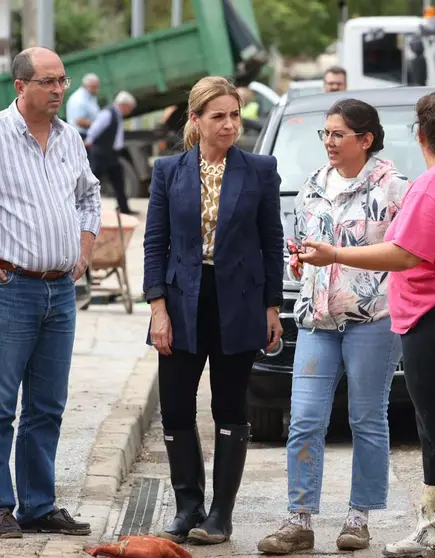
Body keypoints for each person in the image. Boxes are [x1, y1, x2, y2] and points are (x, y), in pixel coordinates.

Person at [298, 63, 435, 558]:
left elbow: (405, 254)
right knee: (434, 421)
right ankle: (431, 529)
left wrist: (335, 254)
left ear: (420, 135)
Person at [0, 47, 99, 540]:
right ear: (21, 86)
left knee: (47, 405)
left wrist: (84, 244)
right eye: (48, 82)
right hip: (6, 286)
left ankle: (39, 505)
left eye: (63, 81)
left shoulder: (68, 137)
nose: (59, 90)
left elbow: (89, 194)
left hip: (59, 292)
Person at [256, 99, 408, 555]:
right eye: (325, 134)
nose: (329, 142)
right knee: (303, 418)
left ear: (366, 140)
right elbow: (300, 248)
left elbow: (404, 254)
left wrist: (337, 258)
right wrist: (301, 264)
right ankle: (298, 519)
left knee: (366, 417)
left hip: (374, 319)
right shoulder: (311, 187)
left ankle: (359, 518)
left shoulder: (396, 189)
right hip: (317, 319)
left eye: (338, 134)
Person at [144, 75, 284, 545]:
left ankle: (220, 515)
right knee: (177, 408)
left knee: (229, 406)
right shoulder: (169, 171)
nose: (229, 125)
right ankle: (188, 507)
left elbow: (272, 243)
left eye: (234, 115)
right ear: (196, 120)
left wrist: (272, 307)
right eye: (218, 116)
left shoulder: (260, 170)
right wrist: (157, 308)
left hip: (239, 303)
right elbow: (155, 243)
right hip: (183, 301)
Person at [85, 90, 139, 215]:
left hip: (112, 155)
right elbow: (95, 129)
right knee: (92, 181)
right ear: (124, 105)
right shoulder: (108, 113)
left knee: (119, 182)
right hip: (101, 154)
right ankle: (82, 208)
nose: (129, 111)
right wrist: (88, 141)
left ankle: (124, 208)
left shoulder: (117, 114)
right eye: (129, 108)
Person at [66, 73, 101, 139]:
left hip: (88, 134)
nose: (97, 90)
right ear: (87, 86)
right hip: (81, 136)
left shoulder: (89, 96)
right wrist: (99, 126)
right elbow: (79, 121)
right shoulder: (78, 99)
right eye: (95, 87)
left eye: (97, 87)